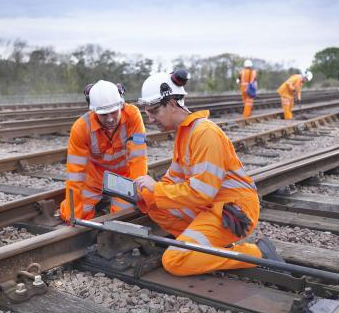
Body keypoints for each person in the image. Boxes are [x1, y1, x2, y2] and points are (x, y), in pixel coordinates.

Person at [134, 69, 283, 277]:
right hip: (211, 205)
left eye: (154, 111)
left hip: (233, 210)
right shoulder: (184, 134)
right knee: (153, 203)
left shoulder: (204, 133)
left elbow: (201, 192)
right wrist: (145, 192)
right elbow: (173, 179)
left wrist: (156, 188)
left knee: (174, 261)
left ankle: (259, 254)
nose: (150, 119)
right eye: (147, 113)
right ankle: (198, 244)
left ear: (172, 104)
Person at [59, 80, 147, 222]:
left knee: (122, 216)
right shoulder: (81, 127)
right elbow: (75, 174)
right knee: (75, 214)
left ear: (121, 104)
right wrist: (72, 212)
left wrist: (138, 190)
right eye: (104, 115)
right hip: (95, 179)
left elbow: (138, 158)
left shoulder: (132, 115)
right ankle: (69, 207)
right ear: (93, 111)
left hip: (125, 177)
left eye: (113, 112)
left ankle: (108, 205)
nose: (110, 119)